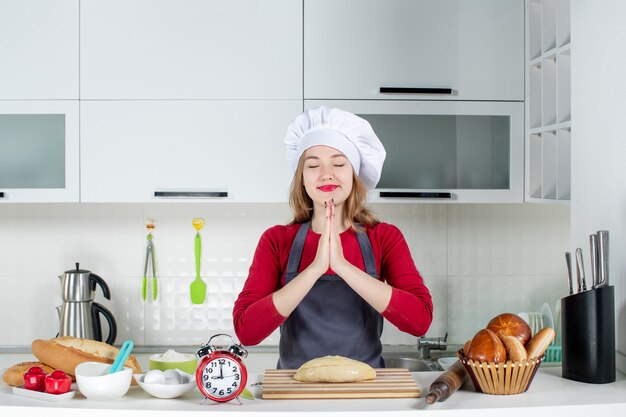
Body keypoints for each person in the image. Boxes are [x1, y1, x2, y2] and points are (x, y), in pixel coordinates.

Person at [232, 106, 433, 369]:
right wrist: (314, 269)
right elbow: (247, 332)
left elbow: (420, 321)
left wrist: (343, 267)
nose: (326, 173)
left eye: (339, 163)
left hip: (365, 391)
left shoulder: (384, 237)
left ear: (354, 174)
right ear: (302, 179)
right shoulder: (277, 240)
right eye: (313, 165)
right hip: (295, 391)